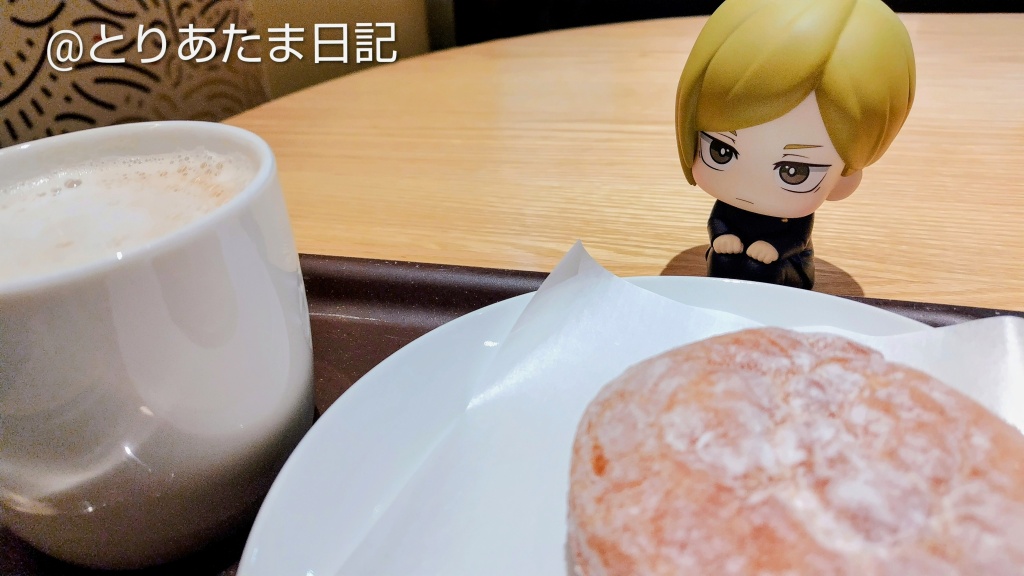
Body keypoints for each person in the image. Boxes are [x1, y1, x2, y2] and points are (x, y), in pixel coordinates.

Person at [675, 0, 916, 289]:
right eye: (721, 151)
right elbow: (719, 221)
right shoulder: (731, 205)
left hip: (788, 269)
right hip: (733, 261)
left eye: (794, 171)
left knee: (762, 269)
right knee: (722, 259)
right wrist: (722, 236)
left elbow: (797, 239)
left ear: (845, 177)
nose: (752, 184)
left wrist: (774, 248)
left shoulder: (794, 216)